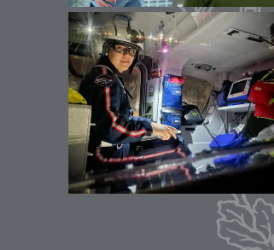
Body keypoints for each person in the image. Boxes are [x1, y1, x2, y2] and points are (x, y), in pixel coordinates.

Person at [78, 17, 190, 174]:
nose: (127, 55)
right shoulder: (104, 78)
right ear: (105, 48)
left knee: (159, 153)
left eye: (131, 50)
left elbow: (125, 118)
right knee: (176, 144)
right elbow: (113, 129)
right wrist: (149, 129)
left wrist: (151, 125)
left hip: (111, 150)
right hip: (103, 157)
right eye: (120, 48)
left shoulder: (111, 77)